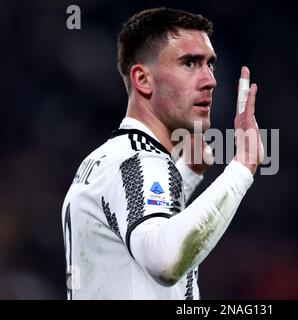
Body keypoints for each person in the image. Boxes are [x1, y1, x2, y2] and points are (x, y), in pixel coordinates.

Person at [61, 7, 264, 300]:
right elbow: (163, 262)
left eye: (210, 64)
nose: (210, 80)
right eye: (190, 63)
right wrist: (243, 166)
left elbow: (134, 230)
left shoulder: (104, 160)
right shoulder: (137, 160)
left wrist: (187, 176)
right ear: (143, 80)